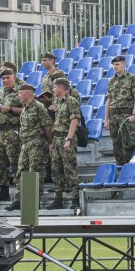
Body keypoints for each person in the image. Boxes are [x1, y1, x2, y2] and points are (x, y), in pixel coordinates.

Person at [4, 83, 52, 212]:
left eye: (20, 93)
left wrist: (49, 142)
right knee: (21, 171)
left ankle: (35, 201)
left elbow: (47, 125)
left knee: (35, 172)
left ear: (28, 94)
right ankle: (18, 200)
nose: (18, 96)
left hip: (37, 142)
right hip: (25, 143)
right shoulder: (24, 108)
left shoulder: (39, 107)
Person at [48, 78, 81, 210]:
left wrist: (68, 139)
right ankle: (58, 199)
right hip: (57, 139)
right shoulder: (59, 103)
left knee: (69, 169)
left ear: (61, 88)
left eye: (54, 87)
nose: (53, 90)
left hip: (66, 139)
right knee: (56, 170)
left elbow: (74, 121)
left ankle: (75, 198)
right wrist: (52, 142)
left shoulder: (71, 101)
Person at [104, 55, 135, 165]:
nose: (115, 67)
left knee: (128, 144)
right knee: (116, 145)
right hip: (114, 115)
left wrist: (134, 114)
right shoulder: (111, 81)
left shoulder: (132, 78)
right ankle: (120, 168)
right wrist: (106, 119)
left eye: (117, 64)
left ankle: (129, 168)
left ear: (124, 65)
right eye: (113, 65)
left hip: (126, 115)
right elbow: (109, 100)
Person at [0, 69, 23, 202]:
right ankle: (3, 190)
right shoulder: (0, 92)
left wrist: (9, 109)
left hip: (12, 131)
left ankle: (19, 192)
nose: (5, 81)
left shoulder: (19, 92)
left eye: (7, 78)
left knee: (15, 162)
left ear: (14, 78)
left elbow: (26, 109)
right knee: (0, 162)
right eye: (3, 78)